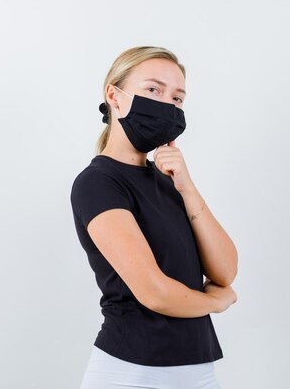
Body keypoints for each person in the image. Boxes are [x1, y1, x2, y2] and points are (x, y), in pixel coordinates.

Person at [70, 46, 239, 389]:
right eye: (153, 90)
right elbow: (155, 293)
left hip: (198, 372)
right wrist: (214, 303)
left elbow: (225, 270)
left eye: (177, 98)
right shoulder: (98, 183)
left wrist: (187, 187)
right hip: (132, 373)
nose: (167, 104)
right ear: (114, 97)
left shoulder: (168, 180)